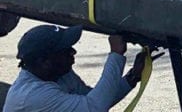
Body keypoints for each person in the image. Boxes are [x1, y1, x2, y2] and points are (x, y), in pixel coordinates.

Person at [3, 24, 155, 112]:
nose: (73, 51)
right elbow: (95, 107)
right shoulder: (33, 95)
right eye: (65, 50)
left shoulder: (57, 74)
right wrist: (115, 54)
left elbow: (97, 98)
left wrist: (133, 77)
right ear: (44, 61)